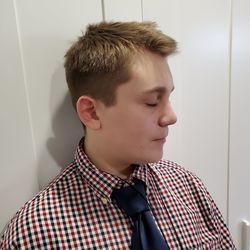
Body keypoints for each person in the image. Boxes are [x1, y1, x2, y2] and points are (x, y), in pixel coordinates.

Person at [0, 21, 236, 249]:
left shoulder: (187, 187)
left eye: (168, 98)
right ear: (91, 112)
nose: (171, 117)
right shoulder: (34, 235)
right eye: (153, 102)